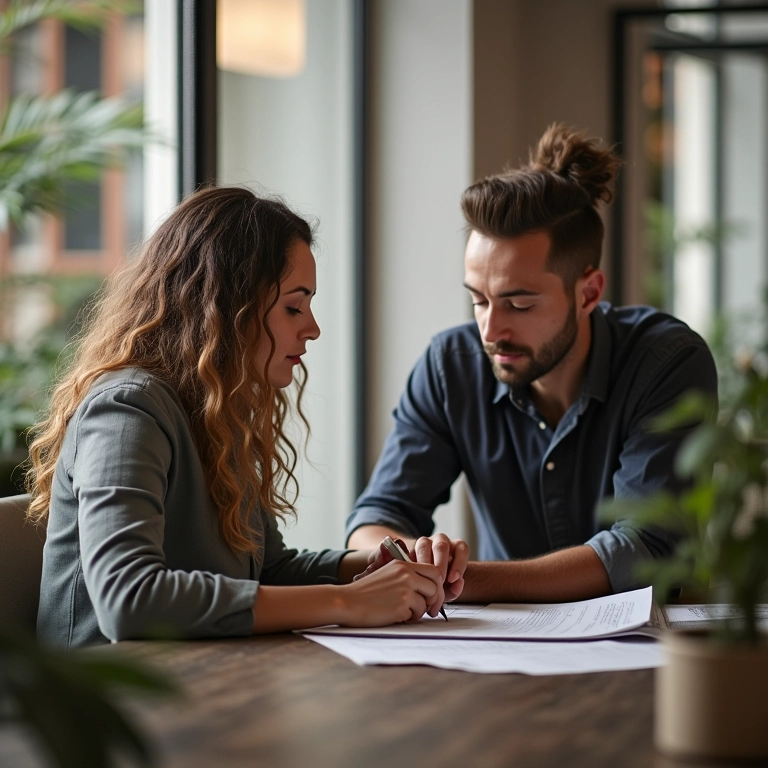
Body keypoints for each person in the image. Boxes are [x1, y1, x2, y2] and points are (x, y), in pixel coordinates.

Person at [28, 186, 446, 648]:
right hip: (106, 704)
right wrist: (349, 602)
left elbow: (269, 570)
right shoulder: (127, 409)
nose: (313, 328)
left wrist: (380, 567)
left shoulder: (221, 414)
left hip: (195, 686)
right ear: (226, 307)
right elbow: (129, 599)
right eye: (293, 306)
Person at [347, 123, 718, 603]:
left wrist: (461, 580)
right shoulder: (449, 368)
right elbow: (377, 516)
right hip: (500, 653)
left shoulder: (666, 362)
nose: (490, 329)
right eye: (479, 300)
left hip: (648, 657)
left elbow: (646, 546)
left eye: (518, 304)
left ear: (588, 292)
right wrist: (411, 559)